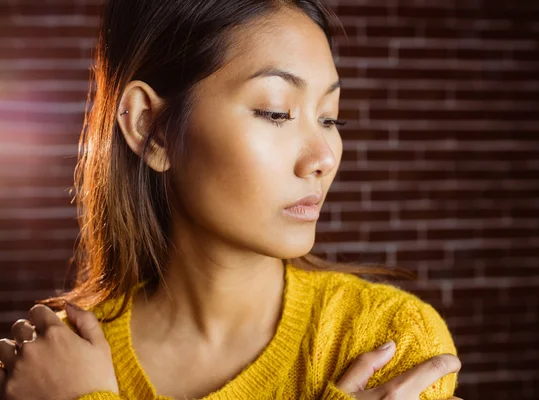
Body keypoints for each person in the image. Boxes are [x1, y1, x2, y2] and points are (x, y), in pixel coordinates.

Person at [0, 0, 462, 399]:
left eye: (329, 119)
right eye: (276, 112)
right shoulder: (51, 358)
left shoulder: (385, 342)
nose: (323, 158)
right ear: (149, 128)